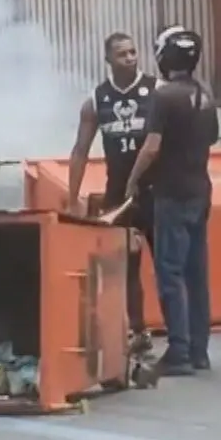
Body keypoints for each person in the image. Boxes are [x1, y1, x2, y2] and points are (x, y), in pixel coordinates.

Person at [124, 25, 219, 374]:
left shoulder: (163, 97)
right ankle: (199, 350)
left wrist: (132, 182)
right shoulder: (205, 94)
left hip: (172, 193)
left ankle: (178, 351)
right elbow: (211, 138)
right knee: (197, 274)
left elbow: (151, 147)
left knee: (170, 272)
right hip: (200, 190)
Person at [66, 32, 159, 334]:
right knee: (124, 268)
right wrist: (72, 197)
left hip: (156, 193)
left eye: (133, 52)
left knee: (169, 268)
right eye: (123, 54)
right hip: (118, 196)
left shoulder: (156, 90)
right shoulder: (96, 100)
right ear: (108, 60)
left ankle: (183, 342)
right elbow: (80, 151)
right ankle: (135, 330)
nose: (131, 58)